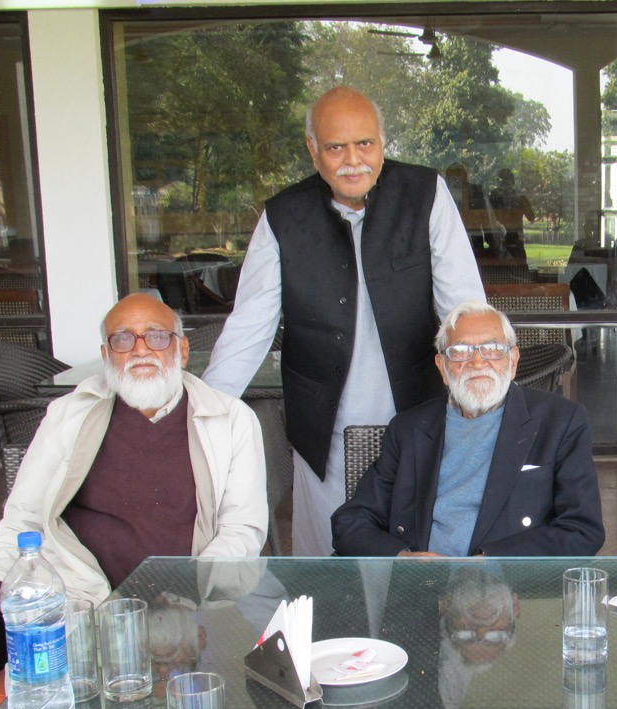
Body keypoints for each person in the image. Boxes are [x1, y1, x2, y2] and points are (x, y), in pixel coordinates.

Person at [203, 86, 484, 556]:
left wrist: (485, 396)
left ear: (382, 142)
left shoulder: (424, 194)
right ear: (313, 150)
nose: (353, 160)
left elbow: (465, 308)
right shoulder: (282, 216)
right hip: (324, 428)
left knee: (418, 551)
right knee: (330, 559)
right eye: (336, 147)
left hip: (416, 416)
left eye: (365, 144)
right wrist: (200, 417)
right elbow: (249, 325)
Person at [0, 293, 268, 647]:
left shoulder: (231, 420)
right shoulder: (69, 415)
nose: (140, 350)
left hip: (193, 605)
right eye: (123, 339)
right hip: (83, 607)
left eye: (157, 336)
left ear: (182, 351)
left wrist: (189, 584)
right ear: (106, 356)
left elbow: (242, 528)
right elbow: (24, 518)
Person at [330, 301, 604, 557]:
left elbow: (582, 530)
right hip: (423, 588)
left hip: (509, 590)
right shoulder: (409, 428)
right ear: (442, 367)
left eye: (493, 349)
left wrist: (493, 562)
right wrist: (404, 559)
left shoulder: (560, 421)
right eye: (460, 351)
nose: (477, 362)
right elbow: (351, 520)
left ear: (514, 360)